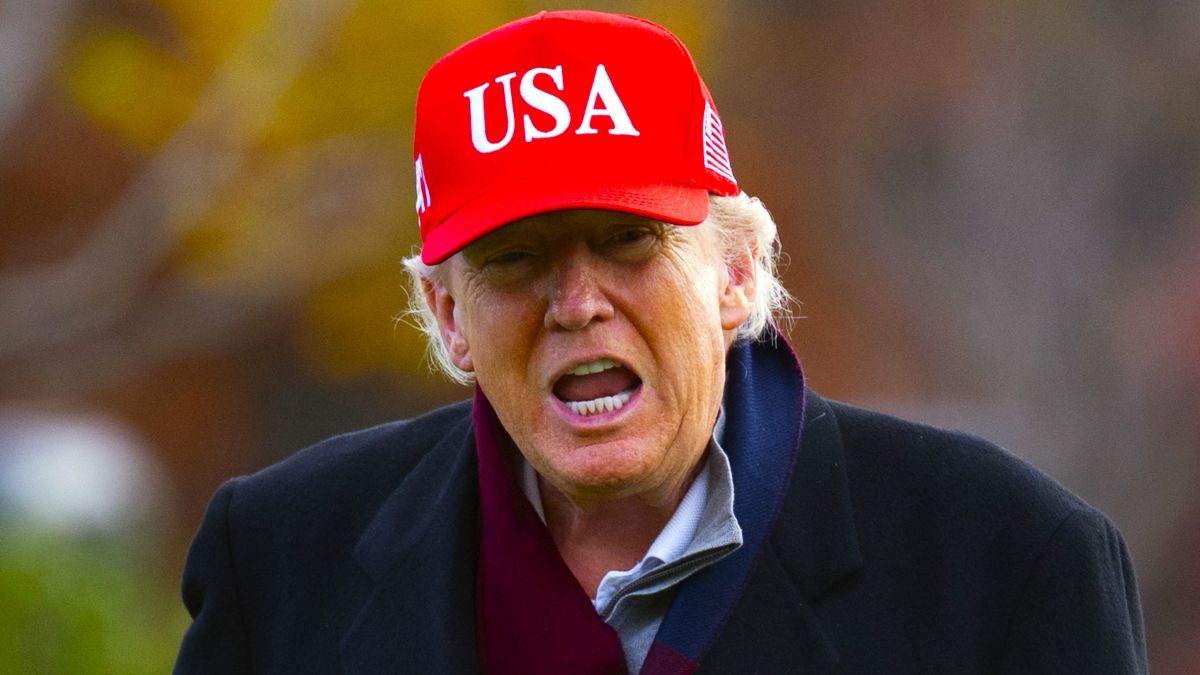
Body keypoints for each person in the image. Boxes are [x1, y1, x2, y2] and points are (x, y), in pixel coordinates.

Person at [174, 10, 1147, 674]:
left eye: (629, 240)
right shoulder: (279, 561)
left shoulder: (1006, 563)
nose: (577, 303)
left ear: (735, 275)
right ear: (447, 318)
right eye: (514, 259)